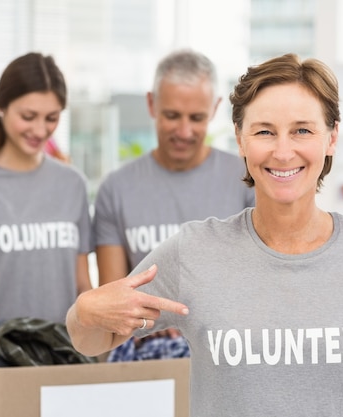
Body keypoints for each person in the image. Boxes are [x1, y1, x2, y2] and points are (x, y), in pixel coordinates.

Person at [67, 54, 343, 416]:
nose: (282, 150)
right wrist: (84, 311)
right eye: (264, 132)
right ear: (240, 139)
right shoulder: (193, 252)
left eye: (302, 130)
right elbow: (93, 341)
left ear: (331, 138)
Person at [93, 49, 254, 361]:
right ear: (151, 104)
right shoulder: (116, 190)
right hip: (145, 347)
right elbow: (114, 296)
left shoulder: (246, 180)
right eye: (172, 116)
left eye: (196, 118)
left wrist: (192, 322)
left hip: (227, 347)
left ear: (216, 108)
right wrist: (156, 321)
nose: (184, 131)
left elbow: (258, 285)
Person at [0, 52, 92, 338]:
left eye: (51, 118)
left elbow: (83, 287)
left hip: (62, 354)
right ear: (0, 107)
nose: (39, 129)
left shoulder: (72, 184)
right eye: (28, 116)